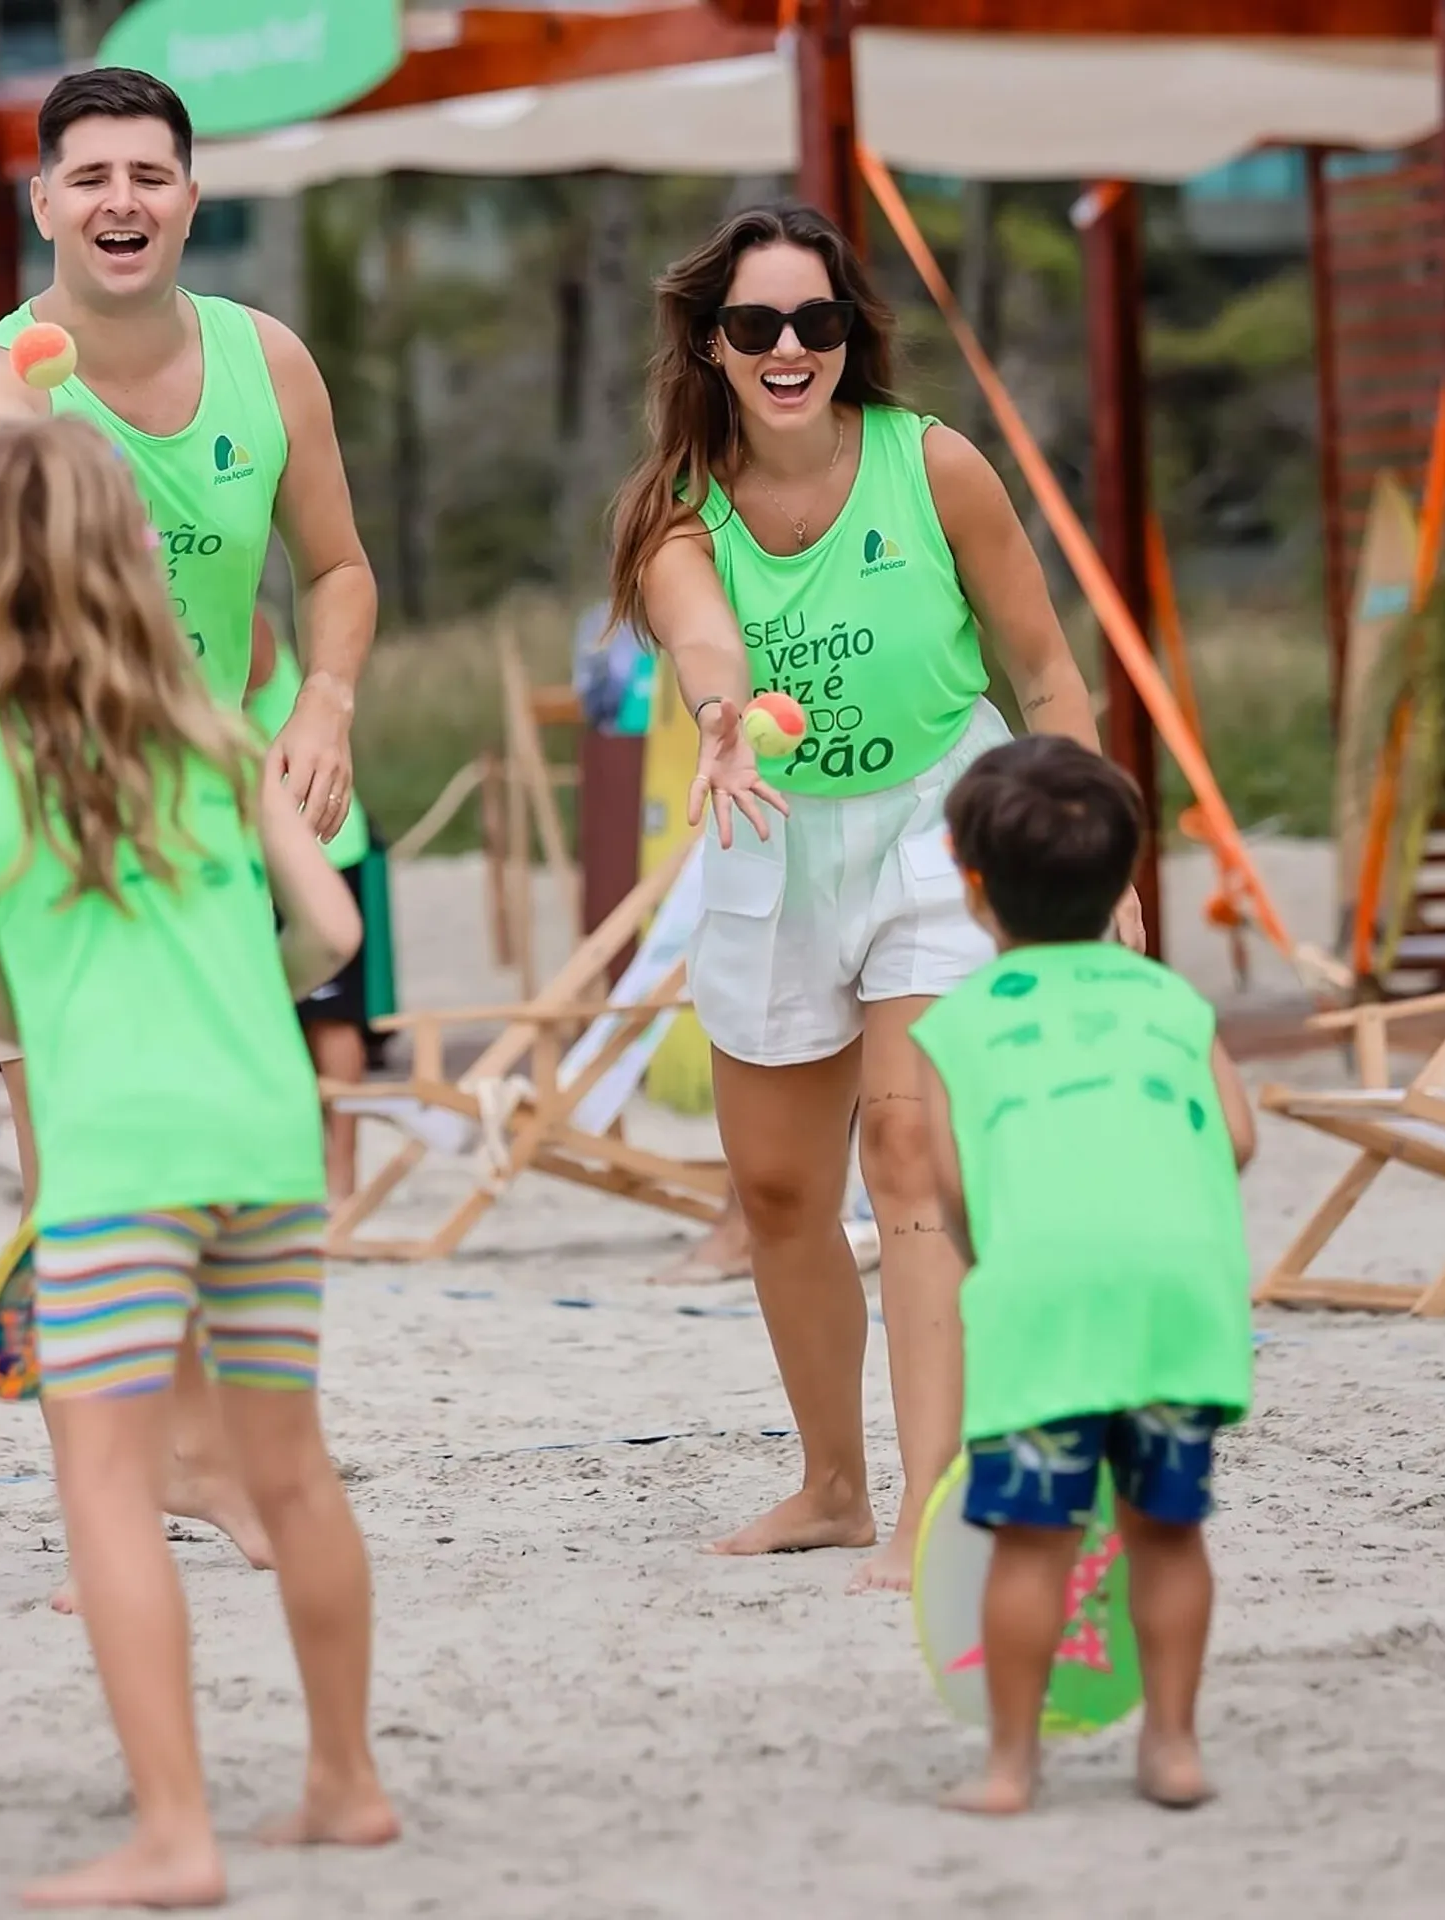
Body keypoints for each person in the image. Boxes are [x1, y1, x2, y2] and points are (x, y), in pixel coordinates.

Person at [605, 201, 1144, 1593]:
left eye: (818, 321)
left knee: (910, 1164)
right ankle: (834, 1488)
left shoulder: (935, 465)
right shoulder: (676, 508)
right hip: (771, 835)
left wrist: (1099, 856)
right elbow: (698, 628)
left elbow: (1046, 677)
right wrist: (721, 712)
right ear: (709, 344)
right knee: (780, 1191)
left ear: (851, 335)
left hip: (938, 827)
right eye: (756, 325)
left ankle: (932, 1507)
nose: (790, 348)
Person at [0, 417, 398, 1908]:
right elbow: (336, 937)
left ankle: (177, 1836)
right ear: (130, 557)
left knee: (110, 1493)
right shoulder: (211, 727)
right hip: (261, 1132)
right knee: (293, 1472)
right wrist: (240, 978)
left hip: (116, 1159)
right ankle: (346, 1785)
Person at [0, 66, 376, 1604]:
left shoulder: (269, 362)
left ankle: (221, 1471)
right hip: (51, 804)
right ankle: (110, 1508)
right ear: (40, 202)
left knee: (227, 1161)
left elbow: (337, 571)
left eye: (152, 174)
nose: (123, 200)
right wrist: (30, 414)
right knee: (80, 1183)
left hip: (219, 802)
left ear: (192, 195)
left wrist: (323, 702)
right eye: (91, 175)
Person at [913, 734, 1255, 1816]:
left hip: (1044, 1302)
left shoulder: (954, 1027)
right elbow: (1238, 1138)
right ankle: (1173, 1749)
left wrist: (1003, 1257)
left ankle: (1013, 1766)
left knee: (1032, 1542)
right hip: (1175, 1301)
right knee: (1167, 1530)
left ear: (974, 891)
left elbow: (951, 1189)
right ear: (1124, 878)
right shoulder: (1171, 1002)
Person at [246, 607, 394, 1199]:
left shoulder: (243, 622)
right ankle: (311, 1167)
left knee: (331, 1019)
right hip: (266, 842)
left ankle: (343, 1174)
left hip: (317, 839)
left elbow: (245, 675)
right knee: (287, 1016)